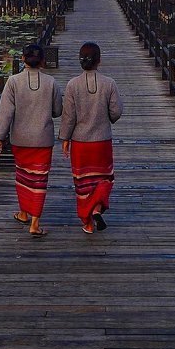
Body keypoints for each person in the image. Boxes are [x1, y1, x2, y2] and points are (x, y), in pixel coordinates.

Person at [0, 44, 63, 238]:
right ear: (42, 61)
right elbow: (58, 111)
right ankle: (34, 223)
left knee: (22, 176)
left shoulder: (13, 82)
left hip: (20, 139)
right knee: (39, 179)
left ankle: (23, 212)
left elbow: (5, 113)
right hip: (43, 139)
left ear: (23, 59)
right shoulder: (51, 82)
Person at [59, 42, 123, 233]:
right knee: (104, 178)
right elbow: (116, 111)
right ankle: (97, 207)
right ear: (99, 61)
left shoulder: (72, 85)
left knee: (83, 182)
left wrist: (65, 139)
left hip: (80, 142)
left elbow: (68, 117)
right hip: (102, 140)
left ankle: (87, 222)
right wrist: (109, 117)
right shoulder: (109, 83)